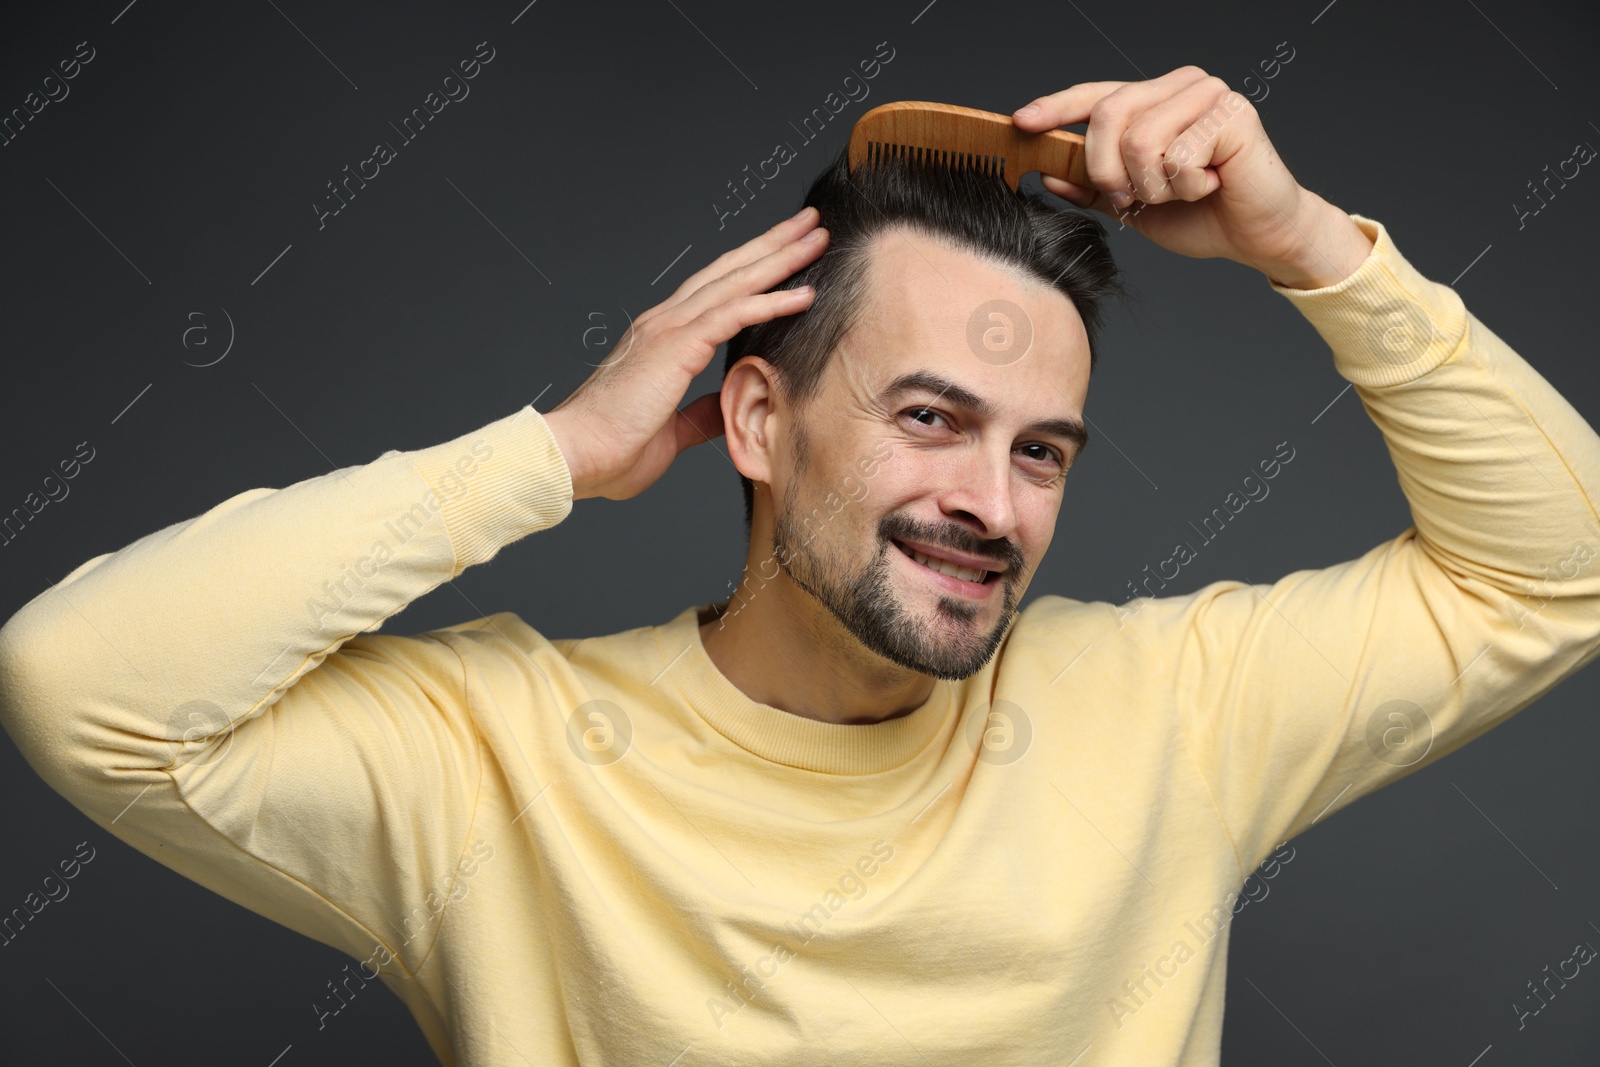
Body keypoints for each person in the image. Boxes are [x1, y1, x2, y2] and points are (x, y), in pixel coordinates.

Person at [2, 66, 1598, 1065]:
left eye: (1040, 449)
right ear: (755, 419)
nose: (994, 499)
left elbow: (1560, 570)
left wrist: (1307, 242)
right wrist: (548, 455)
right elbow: (81, 687)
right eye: (929, 416)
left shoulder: (1174, 709)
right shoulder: (496, 761)